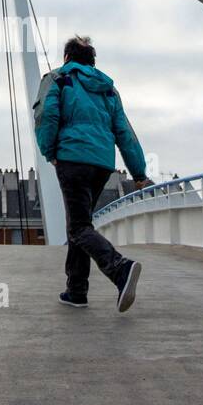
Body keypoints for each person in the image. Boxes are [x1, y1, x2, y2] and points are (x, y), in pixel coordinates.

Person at [36, 35, 150, 312]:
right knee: (80, 224)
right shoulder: (108, 89)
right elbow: (124, 132)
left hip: (72, 158)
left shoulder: (58, 78)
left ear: (67, 58)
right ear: (92, 61)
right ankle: (76, 291)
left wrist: (49, 152)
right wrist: (138, 172)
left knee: (78, 227)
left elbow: (46, 116)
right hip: (101, 164)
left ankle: (120, 269)